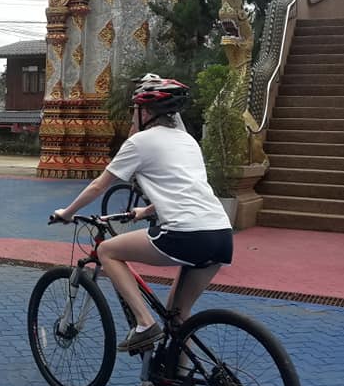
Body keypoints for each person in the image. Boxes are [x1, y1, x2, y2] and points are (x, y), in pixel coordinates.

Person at [52, 74, 232, 354]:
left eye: (133, 110)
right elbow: (186, 189)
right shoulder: (188, 141)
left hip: (185, 234)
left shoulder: (139, 142)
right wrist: (145, 211)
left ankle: (144, 324)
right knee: (178, 318)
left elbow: (100, 184)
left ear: (146, 112)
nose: (131, 117)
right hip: (220, 233)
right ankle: (177, 385)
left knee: (107, 251)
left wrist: (67, 212)